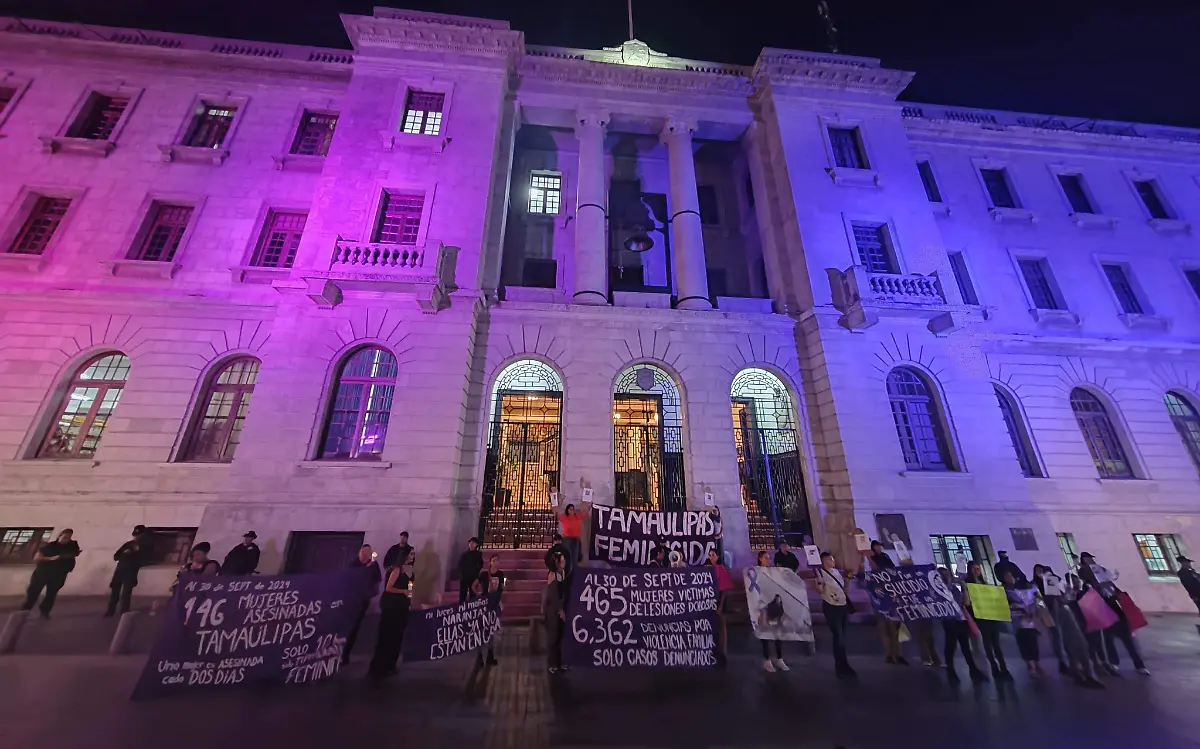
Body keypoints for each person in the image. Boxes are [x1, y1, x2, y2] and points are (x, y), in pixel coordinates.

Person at [1078, 551, 1148, 675]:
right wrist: (1089, 571)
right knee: (1108, 638)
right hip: (1102, 608)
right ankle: (1114, 663)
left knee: (1127, 639)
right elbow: (1084, 578)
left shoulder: (1102, 572)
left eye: (1091, 559)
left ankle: (1139, 664)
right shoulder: (1085, 574)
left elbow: (1113, 586)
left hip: (1116, 608)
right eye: (1088, 559)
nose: (1091, 561)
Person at [1037, 564, 1103, 688]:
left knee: (1080, 647)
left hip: (1071, 622)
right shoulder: (1047, 596)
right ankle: (1081, 674)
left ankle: (1085, 674)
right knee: (1074, 648)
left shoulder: (1060, 592)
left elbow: (1068, 599)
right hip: (1064, 626)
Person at [812, 550, 859, 678]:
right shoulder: (820, 573)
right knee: (838, 637)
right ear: (824, 561)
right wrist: (819, 583)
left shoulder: (836, 572)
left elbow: (844, 589)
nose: (833, 561)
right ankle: (840, 666)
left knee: (842, 637)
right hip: (831, 606)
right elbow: (819, 591)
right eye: (830, 559)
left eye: (833, 559)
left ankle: (844, 664)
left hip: (842, 606)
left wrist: (848, 580)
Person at [937, 566, 987, 683]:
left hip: (960, 619)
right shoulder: (940, 590)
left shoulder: (954, 588)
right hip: (949, 619)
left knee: (965, 646)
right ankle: (951, 670)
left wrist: (964, 589)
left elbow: (965, 603)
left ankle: (972, 670)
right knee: (951, 645)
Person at [964, 561, 1012, 681]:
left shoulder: (984, 583)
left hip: (991, 615)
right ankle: (994, 667)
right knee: (988, 643)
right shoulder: (968, 584)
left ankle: (1003, 667)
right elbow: (967, 603)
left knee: (996, 643)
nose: (977, 571)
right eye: (975, 569)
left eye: (979, 569)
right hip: (980, 617)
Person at [369, 551, 414, 678]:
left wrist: (409, 595)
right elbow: (389, 587)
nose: (412, 557)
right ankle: (379, 667)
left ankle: (391, 665)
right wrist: (403, 591)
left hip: (402, 606)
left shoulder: (410, 572)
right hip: (392, 605)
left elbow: (410, 588)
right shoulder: (396, 570)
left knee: (397, 637)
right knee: (386, 636)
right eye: (411, 554)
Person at [22, 529, 81, 619]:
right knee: (33, 592)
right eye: (65, 537)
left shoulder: (72, 545)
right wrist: (51, 558)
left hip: (59, 574)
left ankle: (44, 612)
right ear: (59, 536)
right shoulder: (49, 546)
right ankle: (25, 610)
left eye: (69, 537)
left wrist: (73, 555)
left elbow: (75, 553)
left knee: (51, 594)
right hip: (43, 572)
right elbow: (37, 557)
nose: (66, 539)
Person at [864, 546, 906, 665]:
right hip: (879, 606)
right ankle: (890, 654)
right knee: (885, 631)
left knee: (894, 631)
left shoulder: (889, 576)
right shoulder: (873, 576)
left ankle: (897, 654)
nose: (870, 565)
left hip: (892, 606)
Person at [343, 544, 382, 665]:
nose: (366, 555)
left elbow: (377, 580)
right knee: (346, 627)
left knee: (355, 628)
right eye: (364, 553)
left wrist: (373, 591)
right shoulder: (353, 565)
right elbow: (348, 578)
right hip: (351, 599)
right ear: (359, 553)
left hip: (363, 600)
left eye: (368, 553)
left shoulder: (373, 565)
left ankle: (346, 655)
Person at [901, 557, 942, 667]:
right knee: (921, 636)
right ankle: (926, 658)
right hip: (914, 609)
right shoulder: (901, 579)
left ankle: (935, 659)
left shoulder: (919, 574)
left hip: (925, 608)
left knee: (929, 636)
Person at [751, 551, 787, 672]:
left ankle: (779, 658)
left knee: (777, 634)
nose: (768, 560)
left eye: (769, 558)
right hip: (763, 605)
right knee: (765, 634)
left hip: (774, 604)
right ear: (760, 559)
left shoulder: (772, 572)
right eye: (765, 558)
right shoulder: (756, 572)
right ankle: (767, 660)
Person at [1003, 570, 1043, 677]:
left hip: (1030, 620)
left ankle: (1037, 664)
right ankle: (1030, 666)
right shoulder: (1004, 590)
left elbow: (1036, 598)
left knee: (1033, 642)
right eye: (1008, 576)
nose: (1010, 578)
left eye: (1011, 576)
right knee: (1024, 643)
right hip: (1018, 621)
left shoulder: (1024, 588)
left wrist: (1035, 608)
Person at [1032, 564, 1070, 674]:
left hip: (1057, 609)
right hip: (1047, 611)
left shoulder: (1051, 580)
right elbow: (1037, 598)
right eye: (1037, 571)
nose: (1039, 573)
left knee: (1061, 635)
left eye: (1040, 570)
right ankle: (1062, 661)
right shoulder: (1035, 584)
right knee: (1056, 635)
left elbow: (1059, 593)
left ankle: (1067, 659)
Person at [105, 525, 147, 617]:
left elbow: (144, 559)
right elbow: (116, 556)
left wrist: (134, 553)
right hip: (120, 570)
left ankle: (124, 612)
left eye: (139, 535)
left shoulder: (145, 546)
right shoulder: (128, 544)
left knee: (126, 593)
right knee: (115, 592)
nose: (137, 537)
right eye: (136, 535)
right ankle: (110, 611)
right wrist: (125, 553)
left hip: (131, 571)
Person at [705, 548, 734, 667]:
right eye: (709, 555)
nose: (711, 557)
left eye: (713, 555)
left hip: (720, 600)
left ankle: (723, 651)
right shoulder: (707, 569)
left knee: (722, 627)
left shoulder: (721, 569)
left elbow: (725, 589)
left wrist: (720, 605)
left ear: (717, 557)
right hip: (711, 601)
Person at [543, 550, 568, 674]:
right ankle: (552, 663)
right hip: (553, 610)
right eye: (562, 561)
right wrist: (559, 610)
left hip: (560, 608)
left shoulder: (562, 573)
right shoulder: (553, 574)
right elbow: (553, 595)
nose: (564, 563)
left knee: (560, 636)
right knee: (553, 637)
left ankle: (560, 662)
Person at [482, 556, 505, 666]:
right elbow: (474, 585)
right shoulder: (484, 574)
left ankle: (490, 654)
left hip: (495, 602)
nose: (496, 562)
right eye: (494, 560)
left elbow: (502, 587)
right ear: (490, 562)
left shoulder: (501, 574)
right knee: (483, 629)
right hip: (486, 603)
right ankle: (480, 656)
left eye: (497, 560)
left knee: (493, 629)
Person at [558, 502, 586, 568]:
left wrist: (586, 502)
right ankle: (567, 570)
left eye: (573, 509)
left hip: (576, 539)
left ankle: (574, 570)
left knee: (575, 556)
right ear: (567, 510)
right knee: (568, 555)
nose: (572, 510)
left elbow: (585, 512)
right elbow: (557, 512)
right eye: (570, 509)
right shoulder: (564, 517)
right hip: (567, 539)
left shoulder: (577, 516)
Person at [458, 537, 484, 603]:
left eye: (473, 543)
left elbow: (481, 565)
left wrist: (476, 574)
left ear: (476, 545)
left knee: (473, 594)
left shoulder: (478, 554)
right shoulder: (464, 554)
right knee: (462, 594)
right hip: (464, 576)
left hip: (473, 577)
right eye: (470, 543)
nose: (471, 544)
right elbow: (460, 565)